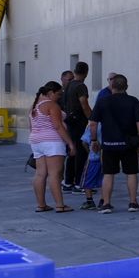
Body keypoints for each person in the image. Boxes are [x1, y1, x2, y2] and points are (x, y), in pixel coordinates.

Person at [87, 72, 139, 214]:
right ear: (126, 86)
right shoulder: (133, 101)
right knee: (131, 173)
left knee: (108, 174)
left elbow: (93, 123)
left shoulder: (103, 102)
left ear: (111, 85)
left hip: (109, 144)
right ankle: (133, 202)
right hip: (129, 143)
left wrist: (94, 140)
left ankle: (106, 204)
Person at [28, 81, 75, 212]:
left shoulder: (34, 106)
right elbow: (58, 126)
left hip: (36, 141)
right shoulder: (51, 105)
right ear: (50, 93)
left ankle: (41, 205)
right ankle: (60, 205)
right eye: (58, 94)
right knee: (55, 174)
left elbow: (31, 127)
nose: (59, 97)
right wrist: (70, 143)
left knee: (40, 174)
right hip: (52, 141)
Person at [61, 61, 91, 190]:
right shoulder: (80, 86)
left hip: (69, 121)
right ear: (86, 73)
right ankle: (79, 183)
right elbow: (84, 104)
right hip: (79, 122)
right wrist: (92, 118)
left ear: (74, 71)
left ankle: (68, 181)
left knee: (72, 151)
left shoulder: (69, 85)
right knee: (81, 152)